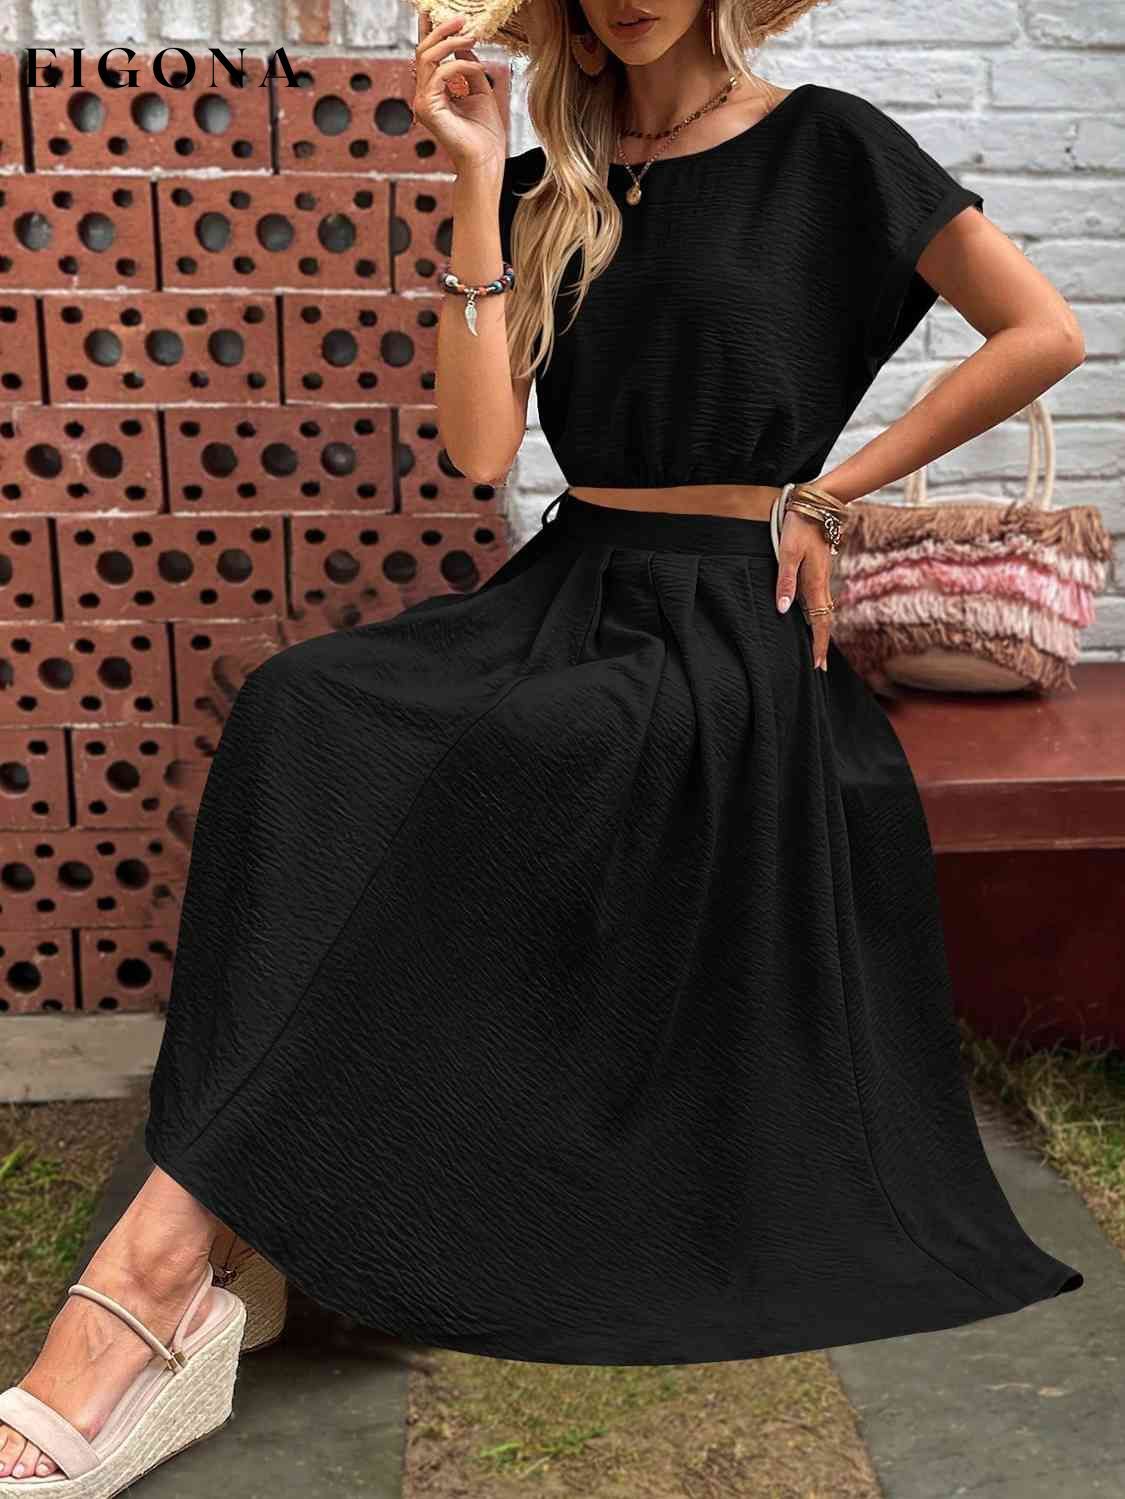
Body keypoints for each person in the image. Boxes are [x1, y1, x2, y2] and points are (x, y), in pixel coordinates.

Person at [0, 0, 1087, 1488]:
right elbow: (478, 448)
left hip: (729, 611)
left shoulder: (829, 144)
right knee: (305, 710)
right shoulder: (539, 187)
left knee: (522, 754)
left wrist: (832, 498)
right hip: (568, 584)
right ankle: (208, 1228)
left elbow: (1043, 332)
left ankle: (159, 1273)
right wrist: (473, 175)